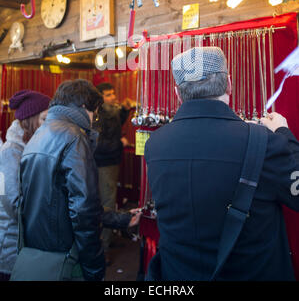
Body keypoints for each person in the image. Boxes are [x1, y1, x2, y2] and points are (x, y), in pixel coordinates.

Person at [144, 46, 299, 281]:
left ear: (177, 93)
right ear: (229, 84)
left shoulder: (155, 143)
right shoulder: (263, 141)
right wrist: (284, 133)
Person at [19, 79, 140, 281]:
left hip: (40, 254)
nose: (94, 119)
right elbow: (83, 211)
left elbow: (60, 201)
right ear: (84, 107)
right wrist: (94, 268)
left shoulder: (39, 134)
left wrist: (121, 218)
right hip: (65, 256)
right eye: (95, 112)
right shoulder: (74, 137)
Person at [0, 89, 50, 281]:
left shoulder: (33, 146)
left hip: (26, 244)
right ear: (30, 121)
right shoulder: (10, 153)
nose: (49, 125)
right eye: (45, 119)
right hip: (11, 247)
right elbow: (13, 204)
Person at [93, 82, 135, 253]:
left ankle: (105, 242)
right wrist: (119, 142)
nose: (113, 97)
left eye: (113, 93)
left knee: (106, 201)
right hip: (104, 163)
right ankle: (102, 248)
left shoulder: (110, 112)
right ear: (100, 98)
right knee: (107, 203)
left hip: (109, 161)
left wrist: (124, 110)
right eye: (108, 95)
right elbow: (97, 143)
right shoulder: (98, 115)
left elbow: (115, 126)